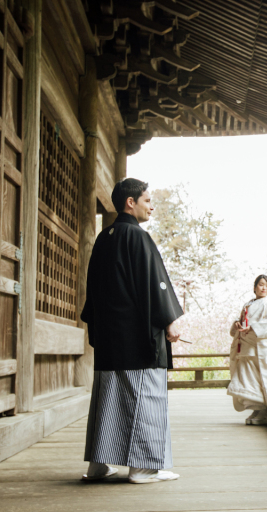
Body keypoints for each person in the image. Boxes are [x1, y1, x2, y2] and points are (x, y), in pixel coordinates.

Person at [80, 178, 184, 484]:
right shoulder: (137, 237)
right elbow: (155, 284)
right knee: (145, 397)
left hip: (111, 339)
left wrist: (97, 327)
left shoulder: (104, 238)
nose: (151, 206)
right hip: (138, 339)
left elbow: (92, 290)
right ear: (131, 202)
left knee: (108, 401)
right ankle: (143, 468)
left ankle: (98, 465)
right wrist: (170, 319)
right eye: (148, 200)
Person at [227, 275, 267, 425]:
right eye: (261, 285)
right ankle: (256, 409)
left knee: (257, 379)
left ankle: (262, 411)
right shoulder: (248, 304)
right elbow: (240, 322)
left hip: (257, 349)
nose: (264, 288)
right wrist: (237, 325)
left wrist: (252, 327)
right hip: (245, 347)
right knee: (247, 378)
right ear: (254, 287)